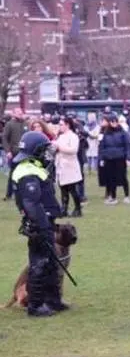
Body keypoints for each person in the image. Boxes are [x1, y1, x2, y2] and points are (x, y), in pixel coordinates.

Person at [12, 131, 65, 317]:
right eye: (43, 150)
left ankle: (53, 300)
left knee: (50, 263)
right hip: (39, 225)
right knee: (39, 263)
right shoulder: (28, 172)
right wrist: (41, 226)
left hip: (45, 222)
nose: (46, 154)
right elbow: (31, 203)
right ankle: (35, 305)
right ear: (35, 151)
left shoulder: (34, 167)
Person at [99, 113, 130, 205]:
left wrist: (128, 157)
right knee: (111, 178)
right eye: (112, 121)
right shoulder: (105, 133)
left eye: (115, 121)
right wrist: (101, 158)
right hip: (109, 158)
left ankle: (127, 196)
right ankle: (113, 197)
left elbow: (127, 145)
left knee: (123, 177)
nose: (114, 123)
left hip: (120, 157)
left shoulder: (123, 133)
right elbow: (102, 146)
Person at [54, 117, 84, 218]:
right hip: (61, 165)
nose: (60, 126)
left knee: (72, 189)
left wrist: (59, 147)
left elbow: (73, 150)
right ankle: (64, 209)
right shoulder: (61, 136)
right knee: (63, 189)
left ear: (67, 125)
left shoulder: (73, 136)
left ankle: (78, 208)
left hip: (70, 166)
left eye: (61, 124)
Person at [3, 108, 27, 201]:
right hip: (14, 153)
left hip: (25, 153)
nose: (20, 114)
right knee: (13, 174)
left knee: (25, 174)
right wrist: (8, 151)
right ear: (13, 114)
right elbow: (5, 138)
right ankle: (9, 194)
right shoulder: (9, 124)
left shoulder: (25, 123)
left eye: (21, 112)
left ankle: (23, 193)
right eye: (18, 112)